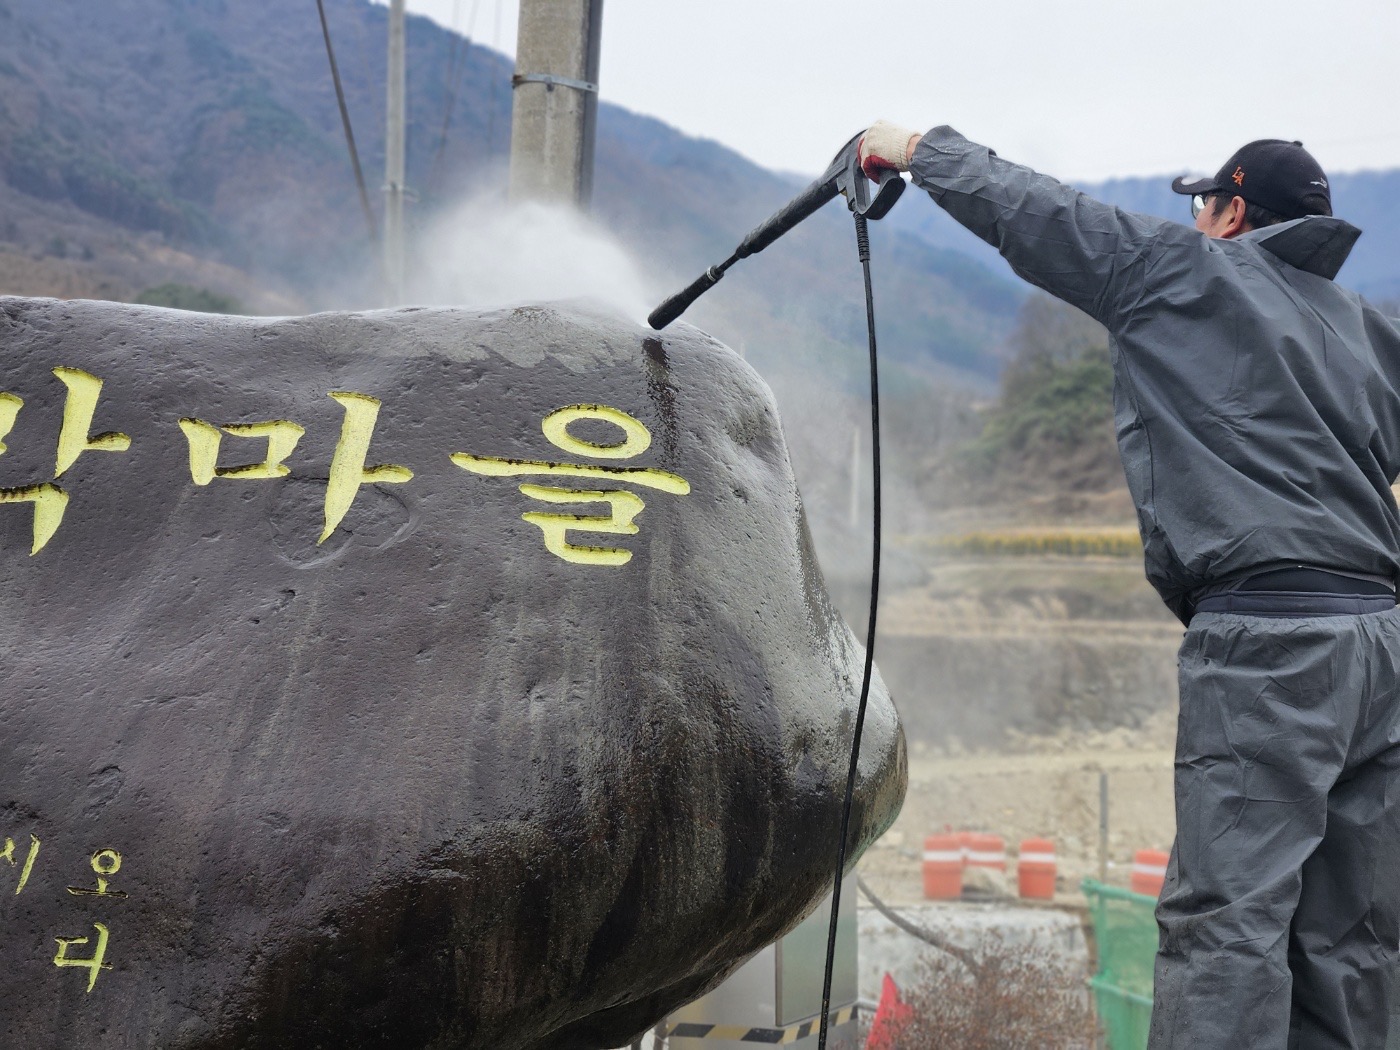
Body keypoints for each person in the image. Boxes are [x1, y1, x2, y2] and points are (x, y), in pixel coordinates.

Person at [858, 121, 1400, 1049]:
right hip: (1382, 647)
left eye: (1202, 204)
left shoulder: (1178, 275)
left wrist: (913, 149)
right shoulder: (1370, 331)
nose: (1191, 219)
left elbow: (1038, 213)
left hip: (1271, 648)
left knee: (1228, 922)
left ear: (1231, 213)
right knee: (1352, 935)